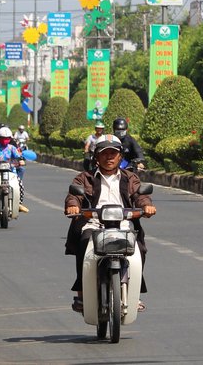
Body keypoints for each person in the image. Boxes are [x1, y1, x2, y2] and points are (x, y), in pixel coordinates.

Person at [64, 134, 156, 313]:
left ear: (120, 156)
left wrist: (147, 206)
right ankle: (82, 294)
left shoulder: (130, 178)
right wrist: (73, 206)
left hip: (123, 224)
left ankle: (133, 293)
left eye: (113, 153)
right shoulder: (84, 177)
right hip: (94, 224)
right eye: (104, 153)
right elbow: (74, 195)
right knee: (84, 244)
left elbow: (140, 195)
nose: (109, 157)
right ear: (96, 156)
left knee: (139, 249)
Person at [0, 127, 29, 213]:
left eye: (7, 138)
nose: (5, 140)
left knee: (20, 185)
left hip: (11, 171)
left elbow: (18, 156)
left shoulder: (12, 148)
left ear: (10, 139)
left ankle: (19, 204)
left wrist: (21, 161)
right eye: (3, 138)